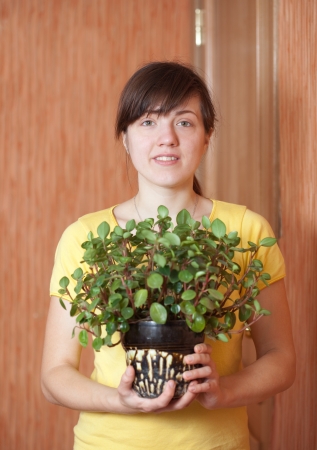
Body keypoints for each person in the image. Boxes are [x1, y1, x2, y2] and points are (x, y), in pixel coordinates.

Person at [41, 61, 295, 450]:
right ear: (125, 138)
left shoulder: (247, 231)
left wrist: (223, 391)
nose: (166, 139)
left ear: (208, 136)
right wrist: (121, 401)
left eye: (184, 122)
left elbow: (281, 358)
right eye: (147, 122)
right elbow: (54, 375)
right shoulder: (86, 237)